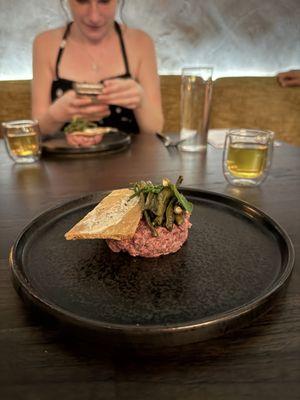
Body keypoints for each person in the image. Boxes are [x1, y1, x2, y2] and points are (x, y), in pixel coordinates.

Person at [32, 0, 164, 147]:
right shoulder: (45, 43)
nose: (94, 16)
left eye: (104, 1)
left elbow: (155, 129)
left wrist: (141, 101)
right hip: (66, 165)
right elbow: (37, 131)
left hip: (131, 165)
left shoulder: (141, 42)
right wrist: (55, 115)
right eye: (82, 1)